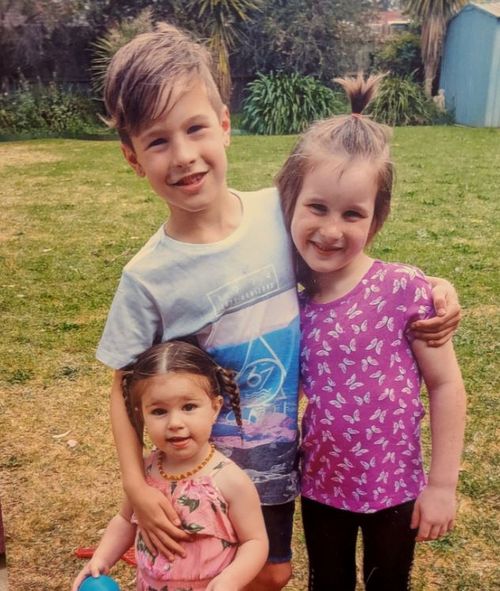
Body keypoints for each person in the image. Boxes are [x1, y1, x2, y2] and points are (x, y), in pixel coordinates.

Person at [96, 23, 461, 591]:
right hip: (204, 467)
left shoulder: (277, 215)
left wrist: (435, 287)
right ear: (132, 157)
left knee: (274, 569)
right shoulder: (147, 277)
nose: (185, 155)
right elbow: (123, 383)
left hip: (286, 463)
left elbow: (341, 255)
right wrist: (136, 488)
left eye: (195, 128)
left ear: (224, 125)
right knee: (222, 573)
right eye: (158, 140)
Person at [276, 73, 467, 591]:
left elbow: (446, 385)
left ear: (375, 220)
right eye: (316, 207)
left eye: (352, 213)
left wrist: (443, 485)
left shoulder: (406, 290)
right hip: (320, 487)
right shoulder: (289, 300)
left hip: (395, 488)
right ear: (289, 201)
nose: (331, 229)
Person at [72, 341, 268, 591]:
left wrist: (230, 581)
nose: (175, 422)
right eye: (159, 411)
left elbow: (255, 541)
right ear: (140, 415)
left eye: (189, 407)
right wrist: (101, 557)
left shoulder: (230, 480)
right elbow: (124, 521)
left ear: (215, 408)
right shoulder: (146, 471)